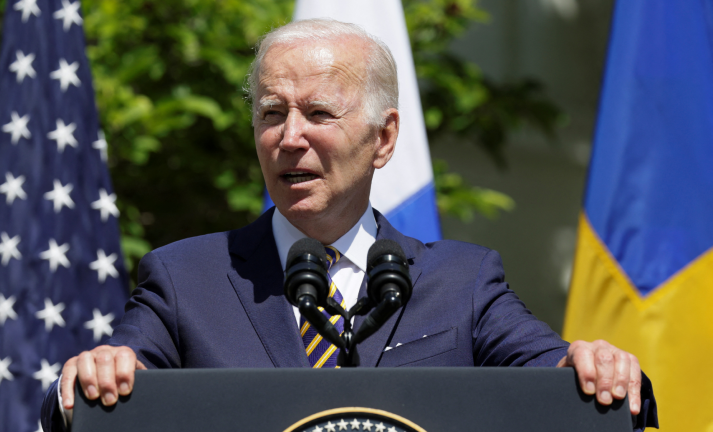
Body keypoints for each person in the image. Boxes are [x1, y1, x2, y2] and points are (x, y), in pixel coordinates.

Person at [41, 19, 658, 431]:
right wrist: (92, 378)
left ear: (384, 138)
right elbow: (91, 397)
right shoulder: (185, 278)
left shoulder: (463, 281)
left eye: (317, 113)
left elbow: (554, 382)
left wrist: (595, 367)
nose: (289, 138)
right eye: (271, 113)